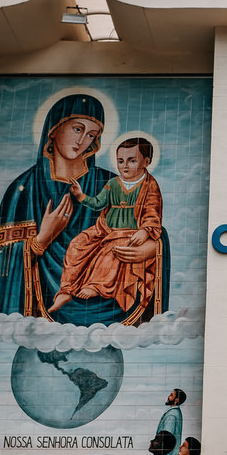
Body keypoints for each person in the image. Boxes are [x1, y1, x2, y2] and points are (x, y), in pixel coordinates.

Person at [0, 92, 164, 326]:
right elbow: (1, 263)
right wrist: (41, 240)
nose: (82, 141)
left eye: (92, 134)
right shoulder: (24, 189)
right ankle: (66, 291)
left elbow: (152, 223)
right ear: (54, 128)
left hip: (110, 296)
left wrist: (152, 249)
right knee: (80, 245)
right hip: (42, 310)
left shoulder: (112, 182)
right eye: (77, 129)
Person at [51, 137, 163, 319]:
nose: (124, 166)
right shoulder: (112, 184)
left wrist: (145, 231)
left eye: (132, 160)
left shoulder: (149, 185)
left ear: (146, 162)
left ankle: (96, 286)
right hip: (104, 229)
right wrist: (80, 196)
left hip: (129, 233)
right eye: (120, 161)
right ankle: (66, 289)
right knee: (77, 244)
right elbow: (97, 203)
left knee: (111, 251)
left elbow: (152, 211)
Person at [156, 389, 185, 455]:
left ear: (176, 400)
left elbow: (166, 438)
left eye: (171, 395)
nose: (168, 397)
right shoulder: (176, 412)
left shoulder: (171, 415)